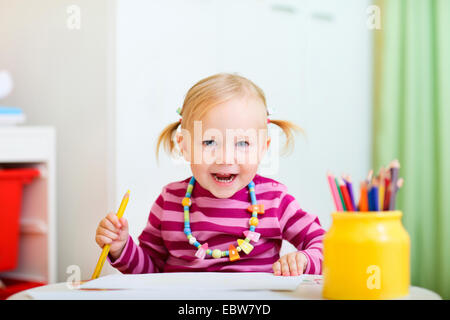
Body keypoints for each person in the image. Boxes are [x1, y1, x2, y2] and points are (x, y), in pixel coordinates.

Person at [95, 73, 325, 276]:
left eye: (242, 143)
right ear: (184, 145)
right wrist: (121, 247)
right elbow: (149, 272)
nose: (225, 158)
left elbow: (326, 244)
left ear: (263, 148)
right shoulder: (170, 201)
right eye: (209, 142)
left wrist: (304, 260)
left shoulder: (275, 200)